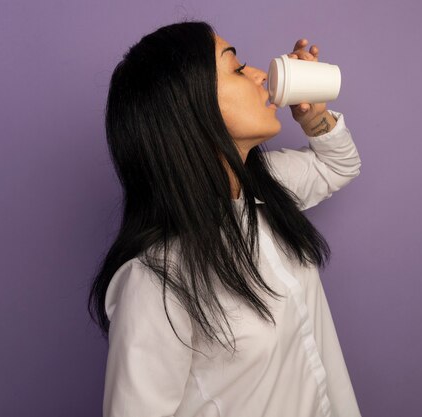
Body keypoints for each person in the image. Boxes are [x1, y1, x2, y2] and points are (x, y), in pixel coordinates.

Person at [88, 19, 363, 417]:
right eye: (236, 69)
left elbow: (339, 165)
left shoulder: (266, 190)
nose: (257, 75)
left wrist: (313, 117)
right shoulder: (156, 282)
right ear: (188, 110)